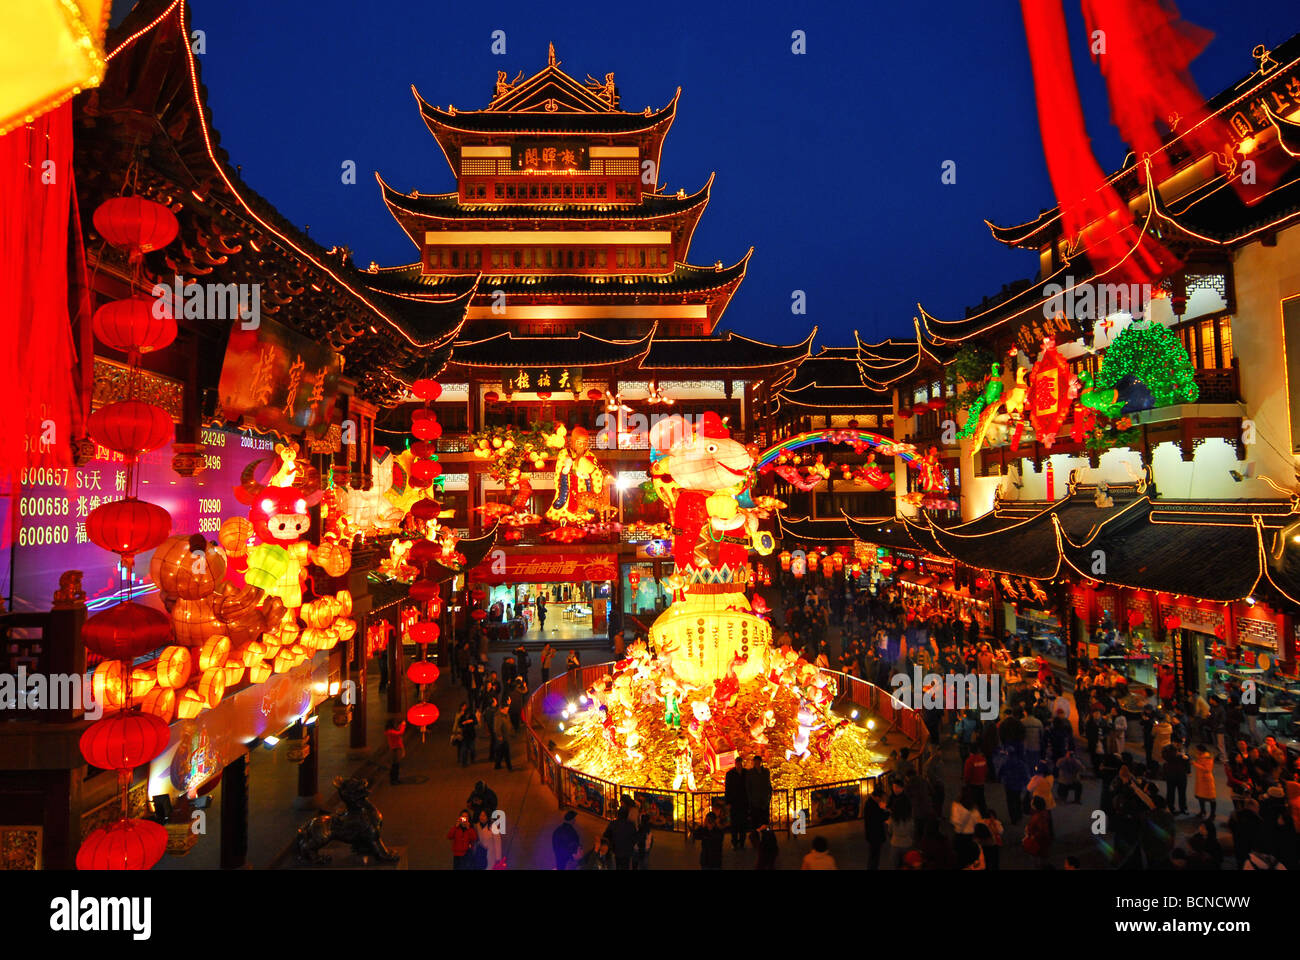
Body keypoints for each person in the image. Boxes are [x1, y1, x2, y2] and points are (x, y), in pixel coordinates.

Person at [603, 803, 639, 870]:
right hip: (627, 852)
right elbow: (635, 838)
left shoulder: (613, 823)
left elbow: (606, 835)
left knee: (617, 865)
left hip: (616, 850)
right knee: (625, 866)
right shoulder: (631, 825)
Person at [724, 755, 748, 849]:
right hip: (734, 802)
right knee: (734, 824)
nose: (739, 765)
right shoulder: (730, 774)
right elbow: (728, 788)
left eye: (740, 763)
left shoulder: (746, 773)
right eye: (737, 763)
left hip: (743, 802)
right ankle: (734, 842)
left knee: (742, 824)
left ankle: (742, 842)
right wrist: (728, 802)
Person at [1023, 796, 1053, 867]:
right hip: (1043, 840)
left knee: (1037, 857)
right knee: (1043, 855)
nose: (1031, 803)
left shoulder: (1037, 817)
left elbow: (1041, 830)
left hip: (1038, 841)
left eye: (1032, 802)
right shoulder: (1044, 813)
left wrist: (1032, 835)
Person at [744, 754, 773, 828]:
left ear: (760, 762)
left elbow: (768, 784)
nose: (757, 764)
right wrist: (751, 800)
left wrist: (768, 797)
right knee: (755, 821)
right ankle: (756, 836)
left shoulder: (766, 772)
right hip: (755, 801)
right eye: (756, 762)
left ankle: (765, 837)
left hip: (764, 800)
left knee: (765, 821)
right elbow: (748, 787)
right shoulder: (750, 773)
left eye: (758, 762)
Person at [864, 790, 889, 870]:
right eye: (881, 798)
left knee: (873, 854)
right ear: (877, 797)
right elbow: (879, 817)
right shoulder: (872, 805)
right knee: (875, 855)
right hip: (875, 834)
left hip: (872, 834)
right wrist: (886, 811)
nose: (881, 800)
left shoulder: (870, 803)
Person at [1193, 745, 1217, 821]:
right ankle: (1203, 811)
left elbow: (1207, 769)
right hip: (1200, 780)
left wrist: (1195, 764)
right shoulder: (1200, 756)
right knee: (1200, 796)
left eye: (1197, 750)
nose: (1196, 751)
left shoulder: (1207, 758)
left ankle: (1212, 814)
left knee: (1211, 798)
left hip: (1207, 780)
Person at [453, 703, 477, 767]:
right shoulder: (462, 717)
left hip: (471, 735)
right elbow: (459, 724)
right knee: (464, 749)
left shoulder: (472, 716)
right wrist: (464, 723)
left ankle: (472, 759)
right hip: (465, 735)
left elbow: (476, 722)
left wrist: (471, 721)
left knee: (472, 748)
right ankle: (464, 762)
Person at [385, 719, 406, 785]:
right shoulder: (390, 732)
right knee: (395, 765)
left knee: (396, 765)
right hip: (395, 749)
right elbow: (400, 733)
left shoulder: (391, 731)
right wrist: (403, 725)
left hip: (397, 749)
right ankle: (393, 780)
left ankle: (396, 779)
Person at [493, 703, 513, 771]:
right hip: (502, 738)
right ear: (502, 709)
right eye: (506, 709)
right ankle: (509, 767)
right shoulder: (498, 717)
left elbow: (509, 723)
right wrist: (499, 736)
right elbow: (496, 728)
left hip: (506, 736)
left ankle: (497, 765)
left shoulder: (506, 715)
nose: (507, 710)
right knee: (506, 753)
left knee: (500, 752)